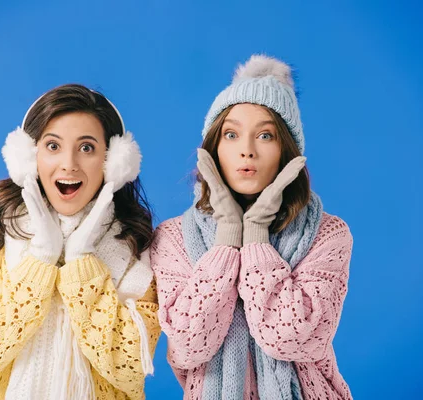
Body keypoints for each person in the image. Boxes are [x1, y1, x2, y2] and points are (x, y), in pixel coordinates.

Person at [150, 55, 354, 399]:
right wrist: (228, 240)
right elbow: (187, 346)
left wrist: (256, 235)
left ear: (287, 151)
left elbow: (293, 339)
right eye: (231, 134)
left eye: (265, 135)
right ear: (213, 148)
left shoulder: (327, 234)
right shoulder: (172, 238)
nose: (246, 151)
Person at [0, 84, 160, 399]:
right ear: (28, 158)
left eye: (87, 148)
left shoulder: (136, 251)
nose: (69, 164)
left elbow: (131, 369)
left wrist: (81, 263)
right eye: (53, 146)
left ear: (113, 162)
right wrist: (41, 260)